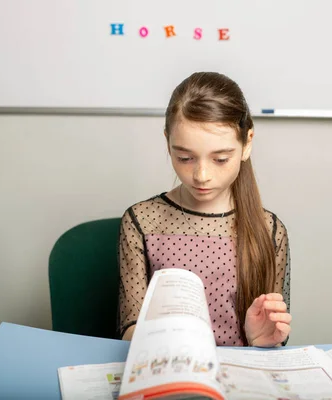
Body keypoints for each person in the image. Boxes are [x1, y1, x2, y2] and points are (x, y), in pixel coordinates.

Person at [116, 71, 291, 348]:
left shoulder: (269, 231)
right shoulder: (142, 222)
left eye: (221, 159)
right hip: (167, 368)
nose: (201, 175)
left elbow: (275, 334)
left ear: (247, 144)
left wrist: (259, 340)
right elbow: (129, 328)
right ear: (167, 142)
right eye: (185, 157)